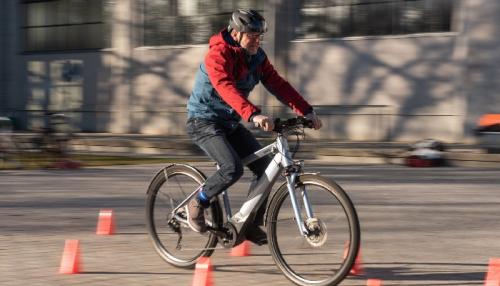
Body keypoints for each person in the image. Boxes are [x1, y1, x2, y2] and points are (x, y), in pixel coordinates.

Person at [185, 9, 322, 245]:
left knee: (267, 168)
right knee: (232, 168)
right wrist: (253, 114)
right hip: (203, 121)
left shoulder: (257, 57)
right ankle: (198, 201)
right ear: (236, 33)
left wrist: (306, 111)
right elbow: (226, 87)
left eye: (260, 36)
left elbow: (278, 85)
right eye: (252, 35)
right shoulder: (217, 55)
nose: (257, 41)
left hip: (229, 123)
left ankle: (249, 224)